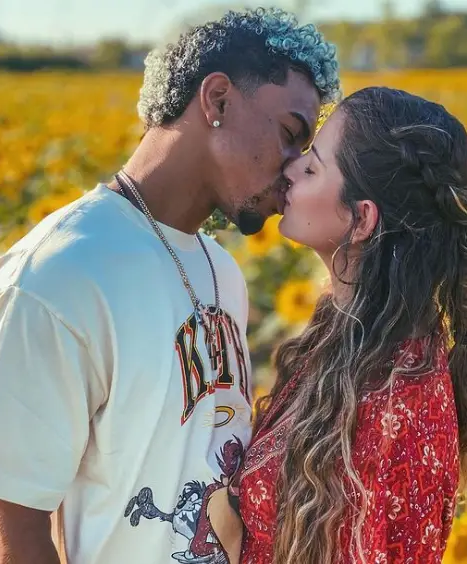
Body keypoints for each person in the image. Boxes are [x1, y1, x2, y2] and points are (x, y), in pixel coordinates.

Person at [0, 7, 340, 564]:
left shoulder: (223, 271)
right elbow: (13, 530)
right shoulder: (60, 273)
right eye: (290, 134)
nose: (293, 167)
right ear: (218, 100)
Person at [237, 87, 465, 563]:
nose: (291, 166)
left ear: (361, 219)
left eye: (314, 166)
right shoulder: (345, 340)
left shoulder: (399, 404)